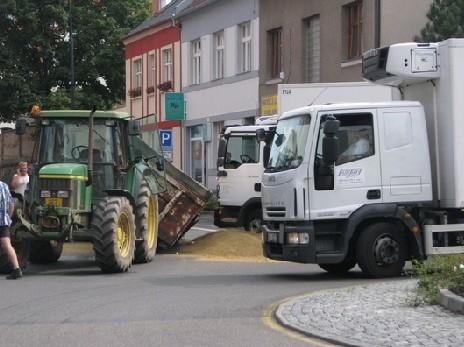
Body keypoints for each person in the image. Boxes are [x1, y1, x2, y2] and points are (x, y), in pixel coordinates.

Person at [0, 179, 22, 279]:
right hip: (4, 221)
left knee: (7, 246)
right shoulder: (4, 185)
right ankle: (17, 269)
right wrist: (8, 218)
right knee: (7, 246)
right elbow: (11, 204)